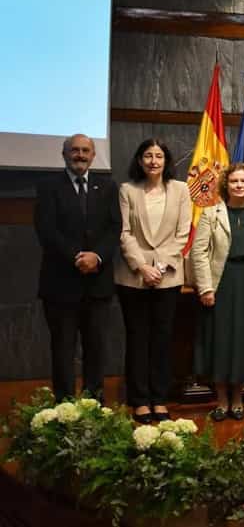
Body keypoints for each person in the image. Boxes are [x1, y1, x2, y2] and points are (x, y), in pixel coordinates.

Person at [35, 134, 120, 402]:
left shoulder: (106, 187)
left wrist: (97, 257)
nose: (80, 155)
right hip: (61, 285)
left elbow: (114, 228)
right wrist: (78, 257)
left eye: (86, 150)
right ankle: (65, 407)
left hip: (98, 285)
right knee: (62, 350)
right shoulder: (48, 186)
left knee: (96, 350)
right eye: (75, 150)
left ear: (94, 155)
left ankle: (94, 407)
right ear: (64, 154)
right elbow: (46, 230)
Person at [114, 138, 191, 423]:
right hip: (133, 278)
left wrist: (159, 266)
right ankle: (139, 399)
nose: (153, 161)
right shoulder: (127, 190)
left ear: (166, 161)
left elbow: (183, 234)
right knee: (137, 338)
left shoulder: (181, 190)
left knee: (162, 339)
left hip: (168, 277)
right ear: (139, 160)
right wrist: (143, 267)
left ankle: (159, 398)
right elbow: (124, 233)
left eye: (159, 156)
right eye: (148, 155)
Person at [191, 162, 244, 422]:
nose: (239, 186)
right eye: (234, 182)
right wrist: (206, 287)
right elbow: (199, 253)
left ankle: (239, 398)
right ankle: (221, 400)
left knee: (242, 341)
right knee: (220, 341)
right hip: (221, 283)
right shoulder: (211, 213)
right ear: (225, 185)